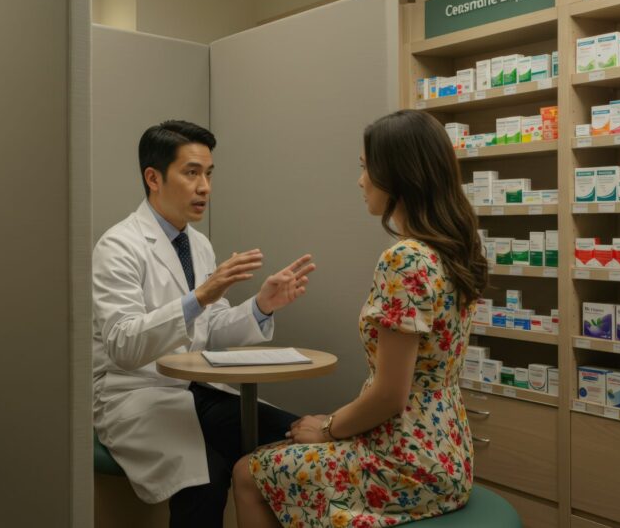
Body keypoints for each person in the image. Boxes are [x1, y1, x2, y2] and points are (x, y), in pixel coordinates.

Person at [232, 109, 489, 527]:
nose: (360, 181)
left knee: (248, 472)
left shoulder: (405, 259)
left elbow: (390, 395)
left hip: (405, 462)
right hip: (448, 452)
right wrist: (335, 424)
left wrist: (328, 429)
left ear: (398, 175)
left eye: (366, 168)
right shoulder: (455, 250)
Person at [92, 120, 317, 527]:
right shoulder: (118, 246)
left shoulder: (197, 244)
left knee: (293, 433)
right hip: (136, 393)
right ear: (153, 178)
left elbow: (209, 330)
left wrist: (261, 306)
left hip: (197, 389)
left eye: (209, 174)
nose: (205, 187)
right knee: (205, 480)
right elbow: (123, 344)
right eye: (192, 173)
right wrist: (199, 296)